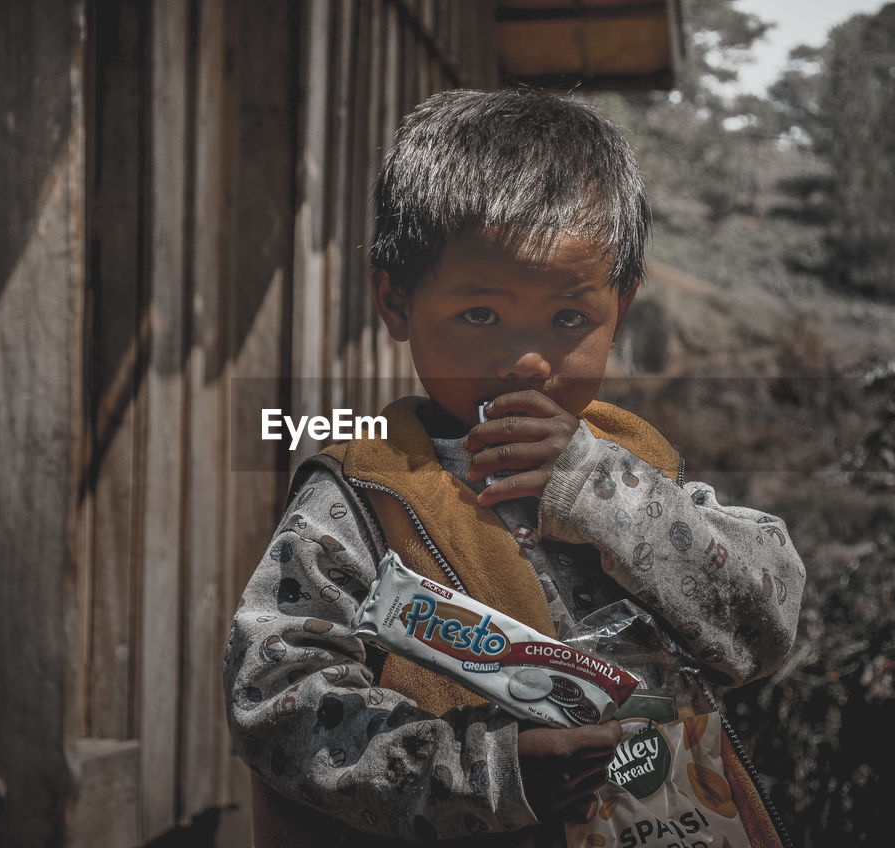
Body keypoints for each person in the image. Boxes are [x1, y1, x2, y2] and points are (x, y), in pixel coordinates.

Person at [222, 88, 806, 847]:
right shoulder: (367, 495)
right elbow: (276, 697)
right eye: (481, 315)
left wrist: (597, 489)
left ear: (619, 307)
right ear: (396, 301)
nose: (528, 358)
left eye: (569, 318)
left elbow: (767, 620)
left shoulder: (634, 467)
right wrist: (488, 770)